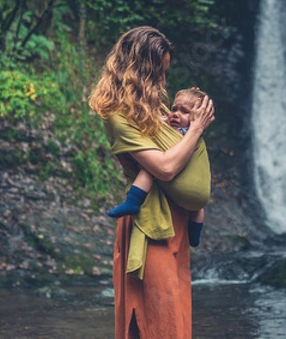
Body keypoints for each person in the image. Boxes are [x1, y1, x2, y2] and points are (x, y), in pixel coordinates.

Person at [88, 26, 215, 339]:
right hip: (150, 224)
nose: (164, 81)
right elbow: (167, 168)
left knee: (175, 316)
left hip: (178, 224)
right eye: (160, 72)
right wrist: (197, 128)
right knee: (147, 314)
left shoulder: (159, 109)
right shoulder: (118, 116)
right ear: (141, 71)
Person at [107, 88, 208, 247]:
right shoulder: (171, 127)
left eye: (185, 111)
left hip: (192, 185)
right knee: (148, 170)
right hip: (178, 183)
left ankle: (195, 234)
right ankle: (133, 201)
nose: (176, 114)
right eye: (174, 109)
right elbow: (159, 121)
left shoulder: (191, 132)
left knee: (197, 207)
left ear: (197, 116)